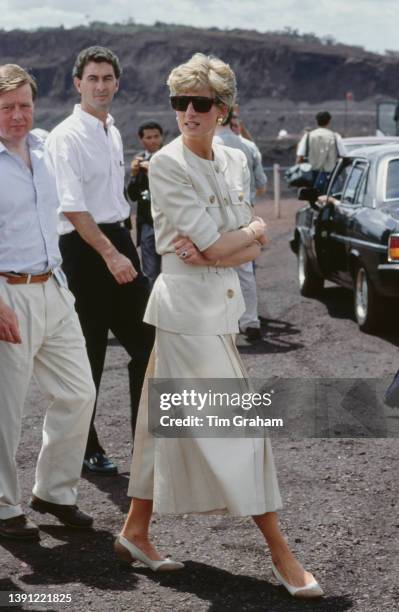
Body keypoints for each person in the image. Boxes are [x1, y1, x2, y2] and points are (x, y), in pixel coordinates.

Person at [115, 53, 323, 598]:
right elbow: (212, 244)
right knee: (242, 433)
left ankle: (135, 530)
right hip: (186, 317)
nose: (188, 112)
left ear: (224, 110)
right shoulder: (165, 165)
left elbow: (228, 243)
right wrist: (238, 240)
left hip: (219, 311)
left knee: (162, 425)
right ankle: (282, 554)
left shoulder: (233, 160)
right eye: (179, 102)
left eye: (200, 103)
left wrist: (243, 235)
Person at [46, 47, 154, 476]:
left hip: (115, 238)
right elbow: (72, 208)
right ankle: (86, 448)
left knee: (149, 344)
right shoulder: (65, 136)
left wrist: (123, 246)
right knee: (87, 355)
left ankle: (146, 441)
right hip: (82, 248)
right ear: (78, 83)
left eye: (108, 78)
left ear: (117, 82)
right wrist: (110, 255)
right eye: (93, 78)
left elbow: (114, 201)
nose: (101, 85)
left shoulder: (111, 131)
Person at [0, 64, 95, 540]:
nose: (18, 116)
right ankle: (2, 505)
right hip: (6, 291)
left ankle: (53, 492)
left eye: (25, 106)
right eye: (7, 108)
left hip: (53, 286)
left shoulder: (44, 147)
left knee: (79, 392)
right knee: (5, 407)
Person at [214, 109, 267, 341]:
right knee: (245, 272)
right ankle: (250, 320)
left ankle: (222, 322)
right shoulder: (248, 146)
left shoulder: (204, 144)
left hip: (215, 217)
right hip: (243, 215)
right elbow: (261, 185)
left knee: (215, 271)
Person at [126, 121, 163, 287]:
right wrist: (134, 175)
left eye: (156, 136)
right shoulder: (139, 161)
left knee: (173, 271)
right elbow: (133, 196)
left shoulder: (169, 158)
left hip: (168, 222)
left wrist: (154, 172)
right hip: (147, 223)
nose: (153, 140)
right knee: (150, 272)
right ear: (141, 140)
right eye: (149, 137)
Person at [296, 111, 346, 194]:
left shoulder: (308, 136)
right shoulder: (335, 136)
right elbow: (344, 155)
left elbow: (300, 157)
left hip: (312, 176)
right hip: (330, 176)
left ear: (316, 121)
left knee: (313, 199)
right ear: (329, 121)